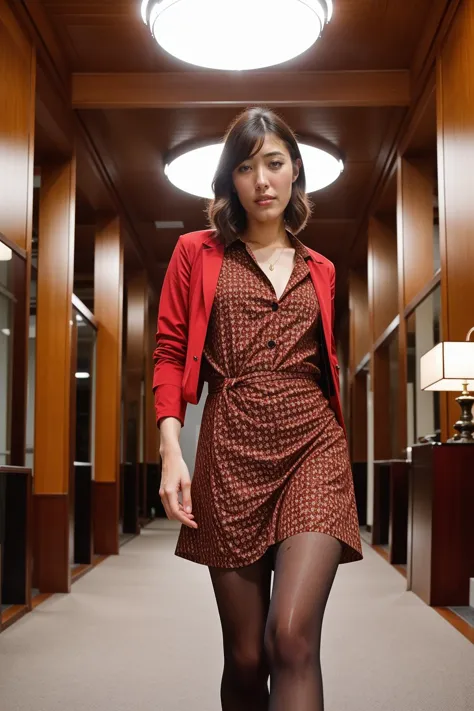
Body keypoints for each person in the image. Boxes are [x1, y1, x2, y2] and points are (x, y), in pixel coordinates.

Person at [152, 107, 363, 711]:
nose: (262, 181)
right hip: (232, 447)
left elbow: (325, 364)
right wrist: (172, 450)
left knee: (292, 638)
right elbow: (169, 352)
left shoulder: (319, 269)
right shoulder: (197, 253)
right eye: (246, 168)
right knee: (246, 658)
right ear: (231, 181)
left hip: (312, 447)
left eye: (274, 164)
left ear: (295, 171)